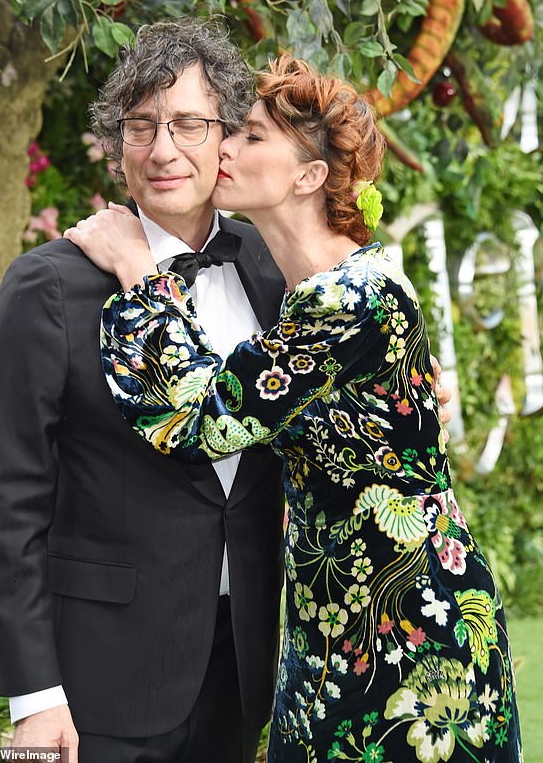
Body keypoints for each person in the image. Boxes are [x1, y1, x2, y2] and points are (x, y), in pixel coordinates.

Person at [65, 55, 522, 762]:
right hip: (331, 627)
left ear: (308, 176)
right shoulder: (313, 293)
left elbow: (203, 420)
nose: (223, 148)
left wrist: (137, 272)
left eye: (249, 136)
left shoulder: (351, 298)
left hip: (408, 640)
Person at [0, 18, 287, 763]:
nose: (164, 149)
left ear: (226, 140)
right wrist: (35, 697)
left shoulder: (273, 275)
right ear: (116, 149)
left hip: (238, 670)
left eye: (188, 124)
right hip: (97, 684)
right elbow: (5, 501)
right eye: (141, 127)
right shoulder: (44, 288)